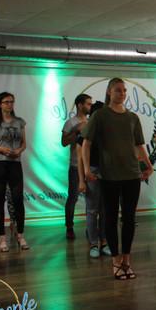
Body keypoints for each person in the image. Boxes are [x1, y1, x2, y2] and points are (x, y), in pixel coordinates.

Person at [82, 78, 152, 280]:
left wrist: (148, 166)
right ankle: (115, 260)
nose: (122, 94)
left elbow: (139, 145)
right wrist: (86, 169)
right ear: (109, 92)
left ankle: (127, 261)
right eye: (118, 90)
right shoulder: (100, 115)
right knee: (110, 218)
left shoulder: (132, 117)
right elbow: (86, 144)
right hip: (110, 175)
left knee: (129, 219)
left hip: (131, 174)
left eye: (124, 90)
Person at [0, 92, 29, 252]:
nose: (10, 105)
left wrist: (19, 150)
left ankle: (21, 235)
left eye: (12, 102)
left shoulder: (19, 121)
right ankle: (2, 237)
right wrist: (1, 149)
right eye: (6, 102)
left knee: (17, 199)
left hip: (14, 163)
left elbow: (23, 143)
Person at [77, 101, 110, 258]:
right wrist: (82, 179)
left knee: (105, 211)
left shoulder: (107, 133)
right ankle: (93, 244)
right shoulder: (84, 134)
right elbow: (80, 160)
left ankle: (104, 242)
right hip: (91, 173)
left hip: (107, 174)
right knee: (92, 211)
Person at [61, 93, 92, 240]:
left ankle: (90, 228)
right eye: (88, 104)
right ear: (80, 105)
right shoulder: (71, 122)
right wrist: (77, 131)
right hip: (75, 165)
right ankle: (69, 227)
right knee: (73, 198)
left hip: (90, 166)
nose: (90, 107)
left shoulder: (91, 121)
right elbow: (64, 142)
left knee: (91, 199)